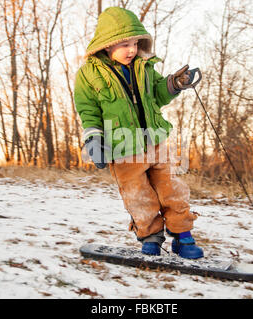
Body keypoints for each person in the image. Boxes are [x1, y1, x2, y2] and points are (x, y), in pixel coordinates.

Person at [74, 7, 203, 259]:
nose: (132, 49)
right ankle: (151, 236)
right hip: (122, 148)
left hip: (155, 142)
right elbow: (88, 110)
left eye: (134, 42)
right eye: (124, 44)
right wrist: (94, 139)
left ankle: (183, 235)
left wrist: (174, 84)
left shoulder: (144, 66)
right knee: (138, 196)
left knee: (172, 189)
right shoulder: (88, 75)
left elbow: (157, 92)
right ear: (107, 44)